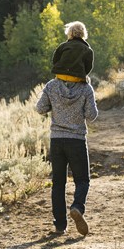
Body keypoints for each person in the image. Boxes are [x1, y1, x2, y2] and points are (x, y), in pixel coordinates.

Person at [36, 69, 98, 236]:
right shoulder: (85, 88)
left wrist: (54, 105)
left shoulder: (52, 85)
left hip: (57, 140)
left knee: (58, 183)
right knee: (83, 180)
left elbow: (40, 108)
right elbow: (92, 115)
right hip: (77, 140)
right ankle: (77, 207)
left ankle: (60, 226)